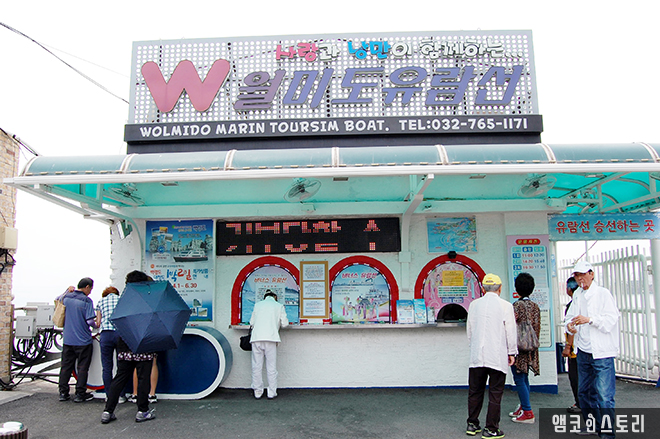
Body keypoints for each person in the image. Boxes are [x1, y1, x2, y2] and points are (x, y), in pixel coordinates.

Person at [565, 261, 620, 439]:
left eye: (583, 274)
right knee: (584, 393)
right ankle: (593, 425)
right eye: (577, 275)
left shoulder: (603, 294)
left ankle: (607, 433)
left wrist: (590, 320)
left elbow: (611, 320)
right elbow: (569, 318)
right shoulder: (577, 295)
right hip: (584, 351)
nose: (580, 278)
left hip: (602, 352)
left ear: (591, 274)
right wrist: (570, 326)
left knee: (604, 395)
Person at [466, 274, 517, 439]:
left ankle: (472, 424)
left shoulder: (474, 305)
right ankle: (491, 428)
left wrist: (474, 346)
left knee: (475, 391)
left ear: (482, 288)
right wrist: (511, 352)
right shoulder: (506, 306)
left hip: (477, 355)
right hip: (497, 355)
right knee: (495, 392)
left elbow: (469, 329)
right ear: (500, 288)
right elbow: (510, 331)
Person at [101, 271, 156, 424]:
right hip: (143, 341)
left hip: (125, 341)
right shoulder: (147, 300)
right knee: (143, 378)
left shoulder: (123, 300)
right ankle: (142, 411)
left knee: (120, 377)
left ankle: (108, 411)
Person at [58, 277, 98, 403]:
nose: (90, 292)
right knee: (82, 367)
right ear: (87, 287)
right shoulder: (86, 301)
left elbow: (57, 299)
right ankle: (80, 394)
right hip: (83, 340)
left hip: (68, 339)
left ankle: (63, 393)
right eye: (90, 289)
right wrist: (97, 325)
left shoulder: (67, 298)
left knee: (65, 367)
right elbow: (90, 321)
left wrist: (67, 290)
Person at [508, 272, 541, 424]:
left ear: (517, 288)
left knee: (519, 378)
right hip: (531, 347)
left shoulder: (516, 306)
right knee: (525, 376)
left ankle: (527, 412)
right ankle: (523, 405)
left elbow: (510, 326)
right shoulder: (535, 306)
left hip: (519, 347)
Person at [249, 289, 289, 400]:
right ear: (275, 297)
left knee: (256, 366)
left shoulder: (257, 305)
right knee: (271, 367)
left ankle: (258, 391)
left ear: (265, 297)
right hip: (271, 338)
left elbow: (251, 322)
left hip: (257, 338)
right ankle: (271, 392)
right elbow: (285, 324)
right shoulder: (279, 306)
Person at [95, 286, 126, 404]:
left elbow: (98, 322)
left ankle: (109, 395)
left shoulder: (101, 302)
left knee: (107, 367)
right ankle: (121, 395)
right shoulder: (121, 300)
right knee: (121, 366)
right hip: (119, 334)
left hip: (105, 335)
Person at [561, 277, 581, 414]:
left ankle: (580, 403)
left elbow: (572, 327)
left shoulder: (572, 305)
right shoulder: (583, 303)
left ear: (568, 290)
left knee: (575, 376)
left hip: (575, 349)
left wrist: (568, 346)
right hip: (585, 347)